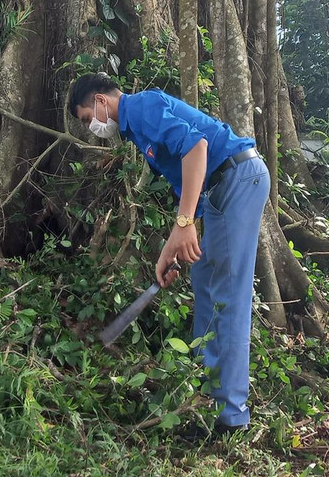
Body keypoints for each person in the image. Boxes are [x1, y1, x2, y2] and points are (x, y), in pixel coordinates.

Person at [68, 73, 270, 439]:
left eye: (87, 119)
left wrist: (185, 222)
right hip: (222, 187)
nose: (91, 128)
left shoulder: (141, 106)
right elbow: (186, 180)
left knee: (228, 296)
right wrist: (171, 247)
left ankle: (232, 415)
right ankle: (208, 401)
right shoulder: (135, 128)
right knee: (206, 287)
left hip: (235, 178)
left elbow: (197, 149)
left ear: (101, 101)